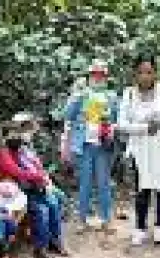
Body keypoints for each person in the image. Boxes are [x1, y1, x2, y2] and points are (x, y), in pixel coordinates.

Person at [117, 55, 160, 246]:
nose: (145, 76)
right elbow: (121, 124)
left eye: (149, 72)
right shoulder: (129, 94)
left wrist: (159, 121)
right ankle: (140, 227)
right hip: (139, 147)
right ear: (135, 74)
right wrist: (144, 128)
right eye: (141, 72)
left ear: (155, 73)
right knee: (141, 187)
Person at [0, 115, 67, 258]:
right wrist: (38, 176)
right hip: (12, 192)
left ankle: (54, 242)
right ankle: (40, 248)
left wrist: (41, 176)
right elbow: (16, 172)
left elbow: (34, 166)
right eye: (11, 135)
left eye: (17, 134)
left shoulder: (20, 150)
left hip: (29, 188)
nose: (16, 137)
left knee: (53, 203)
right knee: (41, 210)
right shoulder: (3, 153)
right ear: (4, 138)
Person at [65, 59, 120, 232]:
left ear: (105, 76)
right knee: (85, 183)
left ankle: (106, 219)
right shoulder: (82, 94)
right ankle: (82, 219)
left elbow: (119, 119)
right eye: (94, 74)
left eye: (101, 74)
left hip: (103, 145)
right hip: (84, 144)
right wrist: (76, 96)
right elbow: (68, 115)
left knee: (104, 182)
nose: (97, 77)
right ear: (90, 75)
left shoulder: (111, 96)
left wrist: (112, 127)